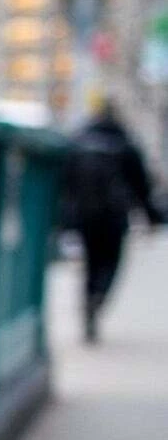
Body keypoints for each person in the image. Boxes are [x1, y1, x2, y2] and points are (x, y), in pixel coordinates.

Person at [63, 103, 162, 343]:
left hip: (83, 215)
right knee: (111, 261)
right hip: (115, 215)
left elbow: (64, 183)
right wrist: (151, 216)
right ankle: (99, 295)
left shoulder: (78, 143)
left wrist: (63, 219)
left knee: (90, 262)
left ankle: (89, 299)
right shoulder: (125, 145)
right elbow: (142, 186)